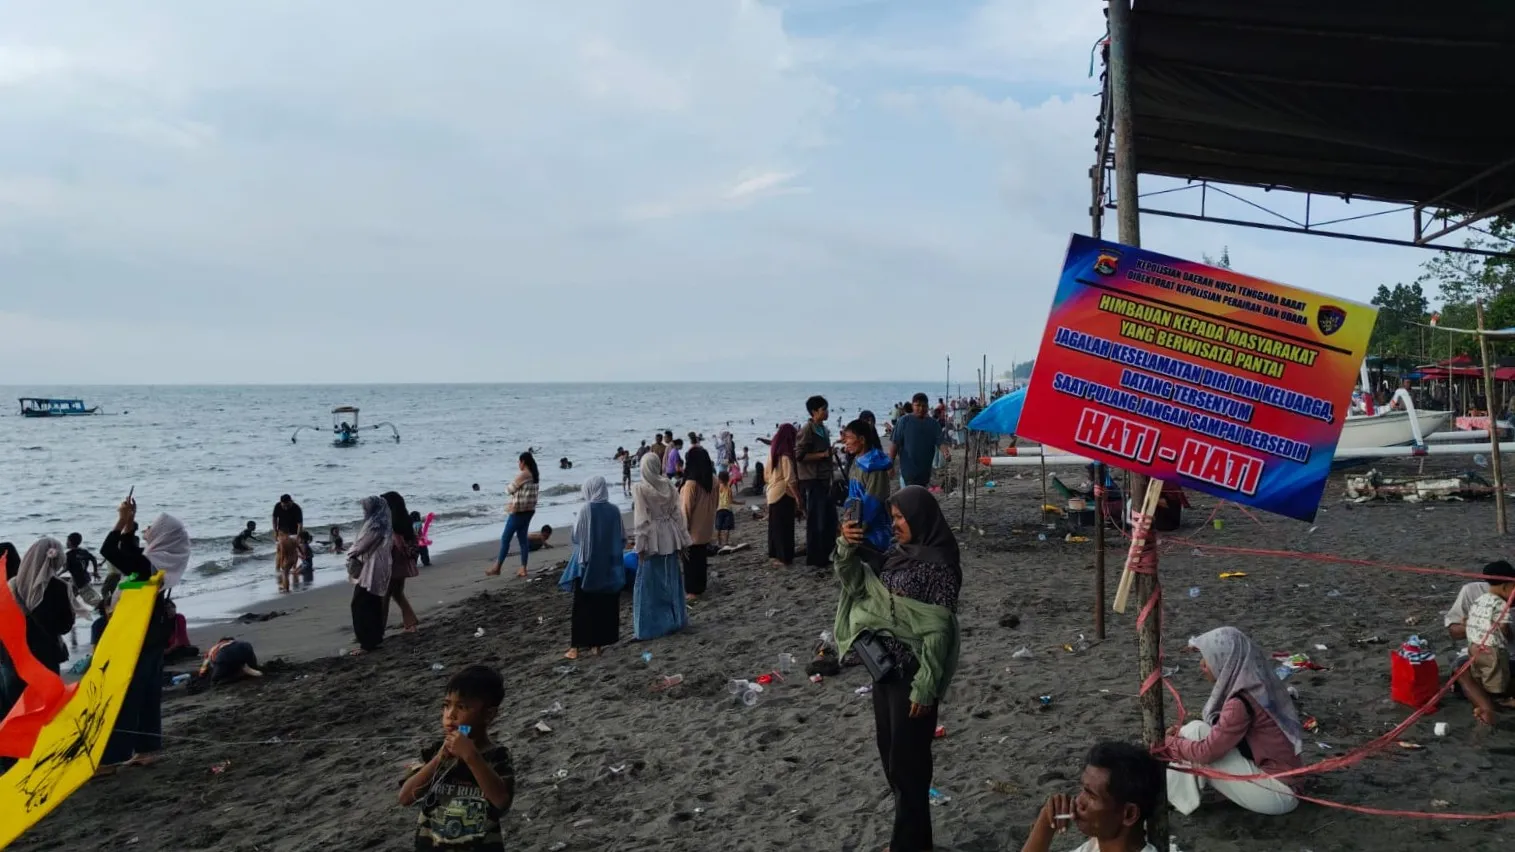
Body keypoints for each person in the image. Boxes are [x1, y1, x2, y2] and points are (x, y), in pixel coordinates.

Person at [835, 485, 961, 852]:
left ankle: (906, 846)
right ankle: (915, 841)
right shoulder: (896, 555)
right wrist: (846, 546)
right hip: (884, 670)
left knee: (909, 767)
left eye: (901, 517)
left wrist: (925, 687)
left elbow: (938, 629)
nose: (896, 525)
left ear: (920, 518)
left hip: (915, 672)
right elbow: (855, 584)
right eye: (893, 518)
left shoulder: (941, 565)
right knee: (892, 758)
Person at [1162, 626, 1303, 816]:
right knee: (1194, 731)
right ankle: (1175, 796)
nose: (1203, 665)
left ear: (1226, 661)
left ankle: (1171, 797)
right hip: (1289, 784)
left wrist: (1169, 744)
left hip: (1279, 793)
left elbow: (1206, 753)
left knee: (1195, 733)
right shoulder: (1258, 683)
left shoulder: (1240, 702)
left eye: (1208, 658)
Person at [100, 501, 191, 769]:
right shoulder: (162, 562)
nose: (147, 529)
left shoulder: (147, 565)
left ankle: (112, 758)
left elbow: (109, 551)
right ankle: (148, 749)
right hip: (153, 635)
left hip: (138, 636)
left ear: (163, 534)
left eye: (152, 526)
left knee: (128, 695)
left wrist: (120, 520)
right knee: (149, 693)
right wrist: (131, 521)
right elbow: (128, 552)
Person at [399, 665, 515, 851]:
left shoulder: (497, 756)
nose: (450, 715)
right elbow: (406, 797)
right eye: (446, 705)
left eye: (461, 707)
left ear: (489, 714)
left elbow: (501, 801)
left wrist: (471, 756)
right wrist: (439, 758)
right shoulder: (434, 751)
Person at [1022, 741, 1165, 852]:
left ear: (1129, 814)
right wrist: (1046, 820)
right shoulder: (1095, 846)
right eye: (1083, 790)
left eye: (1091, 796)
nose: (1078, 801)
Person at [0, 538, 75, 721]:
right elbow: (64, 626)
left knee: (14, 707)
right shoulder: (61, 587)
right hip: (45, 656)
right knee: (46, 708)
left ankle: (14, 746)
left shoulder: (12, 585)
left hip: (14, 656)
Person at [559, 476, 625, 660]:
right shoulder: (614, 510)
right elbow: (621, 537)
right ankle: (597, 645)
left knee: (582, 605)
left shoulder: (586, 509)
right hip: (608, 565)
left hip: (587, 564)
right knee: (603, 604)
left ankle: (575, 648)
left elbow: (576, 536)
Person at [631, 453, 691, 640]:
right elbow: (677, 515)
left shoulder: (640, 489)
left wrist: (640, 546)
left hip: (653, 538)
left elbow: (641, 520)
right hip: (670, 535)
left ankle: (653, 627)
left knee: (650, 584)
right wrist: (684, 540)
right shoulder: (668, 485)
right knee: (671, 579)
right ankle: (676, 619)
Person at [1460, 560, 1515, 724]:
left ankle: (1484, 703)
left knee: (1480, 671)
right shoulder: (1500, 604)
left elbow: (1467, 620)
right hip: (1492, 647)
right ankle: (1498, 700)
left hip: (1474, 646)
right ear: (1505, 587)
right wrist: (1508, 634)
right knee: (1497, 675)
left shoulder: (1481, 599)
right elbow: (1504, 627)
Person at [841, 418, 894, 571]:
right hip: (856, 519)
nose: (846, 442)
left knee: (874, 566)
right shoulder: (857, 461)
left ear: (862, 440)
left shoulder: (874, 467)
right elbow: (853, 495)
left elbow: (874, 501)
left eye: (850, 438)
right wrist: (849, 521)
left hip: (873, 530)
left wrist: (860, 529)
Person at [347, 496, 394, 655]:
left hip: (371, 568)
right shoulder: (385, 523)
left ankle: (366, 643)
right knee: (372, 602)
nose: (364, 510)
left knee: (360, 604)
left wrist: (350, 552)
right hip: (379, 566)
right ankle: (374, 638)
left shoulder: (375, 525)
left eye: (366, 507)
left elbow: (361, 545)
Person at [795, 395, 837, 568]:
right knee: (816, 520)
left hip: (824, 477)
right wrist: (823, 455)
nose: (826, 412)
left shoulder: (823, 429)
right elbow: (799, 455)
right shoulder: (807, 429)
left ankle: (827, 552)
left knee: (828, 518)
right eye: (823, 409)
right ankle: (815, 557)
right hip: (812, 479)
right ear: (814, 412)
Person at [488, 452, 540, 578]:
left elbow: (509, 490)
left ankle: (497, 567)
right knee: (522, 539)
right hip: (529, 510)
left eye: (519, 462)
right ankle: (523, 568)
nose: (518, 464)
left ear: (523, 462)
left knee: (505, 538)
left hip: (519, 512)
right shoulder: (534, 475)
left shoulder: (523, 475)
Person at [680, 445, 718, 601]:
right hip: (706, 528)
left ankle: (692, 592)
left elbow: (685, 510)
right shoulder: (713, 481)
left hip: (692, 531)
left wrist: (682, 532)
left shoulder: (691, 484)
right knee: (701, 559)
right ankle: (700, 587)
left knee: (690, 563)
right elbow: (715, 504)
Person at [383, 491, 422, 633]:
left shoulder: (391, 524)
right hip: (404, 564)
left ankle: (377, 630)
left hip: (393, 564)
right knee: (397, 593)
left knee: (385, 596)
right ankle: (410, 622)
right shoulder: (405, 521)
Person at [765, 424, 804, 567]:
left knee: (775, 527)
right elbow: (790, 480)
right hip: (784, 494)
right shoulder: (786, 456)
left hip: (772, 492)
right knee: (785, 528)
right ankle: (785, 558)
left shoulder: (772, 453)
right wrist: (798, 498)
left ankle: (775, 555)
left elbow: (766, 475)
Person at [892, 393, 948, 488]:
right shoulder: (903, 421)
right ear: (912, 405)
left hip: (924, 474)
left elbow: (940, 441)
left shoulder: (933, 424)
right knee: (908, 500)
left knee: (920, 500)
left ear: (927, 406)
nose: (921, 409)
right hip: (907, 472)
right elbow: (895, 443)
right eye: (917, 405)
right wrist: (890, 464)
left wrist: (945, 452)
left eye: (924, 406)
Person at [715, 470, 742, 548]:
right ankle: (726, 543)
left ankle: (718, 542)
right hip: (727, 510)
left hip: (719, 509)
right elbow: (731, 501)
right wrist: (740, 503)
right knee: (727, 527)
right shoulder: (728, 489)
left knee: (718, 527)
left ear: (719, 479)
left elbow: (715, 498)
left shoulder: (717, 488)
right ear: (727, 479)